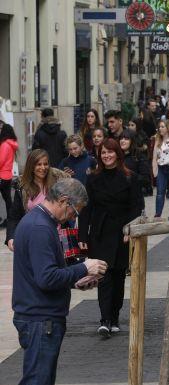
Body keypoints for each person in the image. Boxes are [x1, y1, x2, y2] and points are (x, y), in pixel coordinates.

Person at [12, 178, 107, 385]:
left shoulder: (41, 222)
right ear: (64, 200)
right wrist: (83, 267)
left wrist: (76, 280)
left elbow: (46, 273)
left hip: (39, 316)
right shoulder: (40, 227)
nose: (73, 217)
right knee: (38, 380)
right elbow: (46, 278)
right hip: (40, 318)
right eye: (75, 211)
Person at [78, 139, 145, 337]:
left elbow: (136, 206)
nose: (106, 156)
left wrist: (130, 230)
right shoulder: (92, 178)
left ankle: (114, 316)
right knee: (103, 276)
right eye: (103, 153)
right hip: (100, 232)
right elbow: (86, 208)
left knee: (118, 276)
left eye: (110, 152)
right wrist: (82, 233)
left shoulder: (130, 177)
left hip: (122, 233)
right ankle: (105, 319)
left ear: (117, 154)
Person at [6, 149, 68, 251]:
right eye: (38, 164)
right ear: (31, 166)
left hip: (56, 240)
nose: (43, 168)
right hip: (31, 239)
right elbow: (14, 217)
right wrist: (11, 237)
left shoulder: (58, 184)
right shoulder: (22, 188)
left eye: (45, 164)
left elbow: (70, 210)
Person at [120, 130, 151, 196]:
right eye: (121, 138)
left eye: (126, 139)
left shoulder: (139, 156)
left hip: (134, 196)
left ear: (132, 141)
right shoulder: (117, 156)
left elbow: (145, 179)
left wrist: (129, 175)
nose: (122, 141)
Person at [0, 122, 18, 226]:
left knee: (7, 199)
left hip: (1, 175)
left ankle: (10, 219)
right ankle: (10, 219)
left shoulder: (4, 145)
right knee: (7, 199)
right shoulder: (11, 144)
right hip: (7, 175)